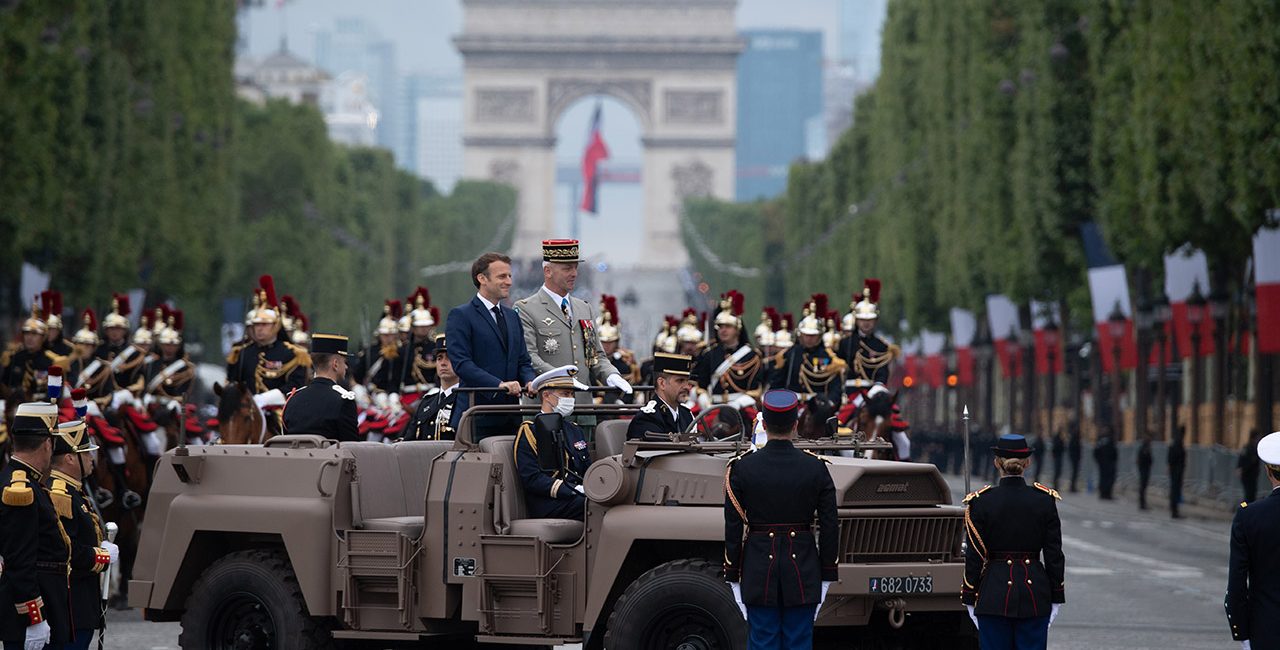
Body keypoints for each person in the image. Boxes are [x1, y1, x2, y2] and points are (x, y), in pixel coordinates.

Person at [724, 389, 837, 650]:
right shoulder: (816, 467)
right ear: (796, 425)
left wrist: (733, 575)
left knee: (762, 642)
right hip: (804, 570)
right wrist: (827, 574)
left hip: (757, 571)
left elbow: (733, 527)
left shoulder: (740, 467)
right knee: (799, 642)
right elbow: (830, 524)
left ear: (763, 423)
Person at [961, 435, 1065, 650]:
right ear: (1027, 463)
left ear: (996, 463)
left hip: (992, 596)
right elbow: (1054, 555)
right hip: (1035, 596)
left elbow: (974, 556)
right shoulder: (1044, 501)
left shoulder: (981, 502)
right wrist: (1056, 596)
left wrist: (969, 595)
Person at [517, 239, 632, 404]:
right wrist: (564, 379)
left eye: (575, 267)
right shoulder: (526, 309)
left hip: (582, 406)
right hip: (547, 407)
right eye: (567, 268)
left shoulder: (584, 309)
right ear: (548, 271)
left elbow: (595, 355)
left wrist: (611, 374)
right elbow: (530, 356)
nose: (574, 273)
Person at [0, 402, 68, 650]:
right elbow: (19, 559)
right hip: (32, 619)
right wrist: (34, 619)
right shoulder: (21, 489)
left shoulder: (29, 482)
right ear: (48, 443)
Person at [447, 252, 535, 440]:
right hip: (476, 414)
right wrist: (498, 385)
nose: (509, 281)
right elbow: (462, 364)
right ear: (482, 279)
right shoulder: (461, 316)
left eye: (510, 276)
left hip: (511, 416)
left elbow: (522, 360)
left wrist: (530, 380)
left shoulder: (512, 317)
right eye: (502, 276)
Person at [49, 416, 117, 650]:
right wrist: (102, 556)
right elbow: (67, 551)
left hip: (81, 606)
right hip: (71, 607)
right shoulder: (61, 495)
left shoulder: (74, 491)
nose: (92, 458)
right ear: (69, 458)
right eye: (86, 453)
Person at [513, 366, 592, 519]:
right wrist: (573, 489)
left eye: (571, 394)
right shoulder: (531, 431)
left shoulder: (574, 430)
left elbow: (586, 467)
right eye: (565, 394)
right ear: (546, 396)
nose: (570, 399)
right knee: (595, 505)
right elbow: (532, 478)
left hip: (575, 497)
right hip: (550, 502)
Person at [1225, 430, 1280, 649]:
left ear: (1268, 471)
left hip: (1266, 630)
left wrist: (1242, 632)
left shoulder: (1249, 517)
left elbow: (1237, 585)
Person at [225, 276, 311, 400]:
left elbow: (295, 386)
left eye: (264, 324)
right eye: (256, 325)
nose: (259, 328)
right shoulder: (242, 353)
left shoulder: (293, 354)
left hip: (278, 409)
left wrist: (267, 399)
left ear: (275, 326)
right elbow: (233, 383)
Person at [693, 290, 765, 411]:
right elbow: (701, 386)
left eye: (728, 327)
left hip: (741, 408)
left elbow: (755, 391)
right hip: (713, 407)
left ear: (737, 329)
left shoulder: (752, 356)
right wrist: (704, 400)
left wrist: (738, 404)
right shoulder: (709, 354)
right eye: (720, 326)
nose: (723, 330)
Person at [768, 295, 846, 404]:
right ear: (800, 335)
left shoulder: (828, 357)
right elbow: (777, 383)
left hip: (818, 405)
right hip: (792, 404)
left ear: (819, 336)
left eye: (813, 335)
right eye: (806, 335)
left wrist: (829, 403)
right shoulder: (789, 354)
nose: (809, 338)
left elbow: (835, 386)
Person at [281, 334, 358, 442]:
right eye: (344, 362)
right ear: (335, 364)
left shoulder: (292, 399)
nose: (346, 367)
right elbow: (351, 448)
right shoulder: (344, 400)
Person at [837, 279, 897, 394]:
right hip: (850, 393)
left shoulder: (881, 346)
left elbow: (882, 372)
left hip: (872, 393)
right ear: (857, 320)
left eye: (869, 320)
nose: (866, 323)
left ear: (875, 321)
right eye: (862, 320)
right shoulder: (845, 343)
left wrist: (877, 387)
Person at [627, 353, 695, 441]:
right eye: (680, 380)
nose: (687, 387)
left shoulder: (686, 414)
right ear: (662, 383)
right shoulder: (647, 418)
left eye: (687, 381)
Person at [407, 335, 459, 441]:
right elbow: (408, 441)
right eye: (439, 358)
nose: (443, 363)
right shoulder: (427, 402)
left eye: (449, 358)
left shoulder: (467, 400)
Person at [1093, 426, 1118, 500]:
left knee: (1110, 479)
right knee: (1104, 479)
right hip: (1103, 463)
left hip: (1110, 463)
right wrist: (1099, 460)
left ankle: (1108, 493)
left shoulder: (1110, 439)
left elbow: (1114, 451)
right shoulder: (1101, 440)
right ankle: (1103, 493)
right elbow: (1096, 451)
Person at [1238, 430, 1261, 505]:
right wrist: (1241, 469)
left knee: (1252, 495)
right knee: (1248, 496)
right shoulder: (1248, 448)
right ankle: (1242, 507)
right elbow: (1242, 460)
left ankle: (1248, 509)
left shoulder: (1255, 449)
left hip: (1253, 475)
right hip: (1247, 475)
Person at [1168, 427, 1187, 519]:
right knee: (1175, 490)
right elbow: (1177, 456)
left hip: (1175, 469)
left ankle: (1174, 509)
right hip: (1177, 470)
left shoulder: (1175, 441)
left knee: (1174, 489)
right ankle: (1174, 510)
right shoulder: (1178, 442)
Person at [1136, 434, 1153, 510]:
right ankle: (1142, 503)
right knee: (1143, 487)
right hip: (1144, 469)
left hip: (1144, 469)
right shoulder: (1144, 448)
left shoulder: (1145, 448)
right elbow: (1143, 459)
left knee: (1143, 487)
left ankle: (1142, 503)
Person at [1067, 421, 1082, 493]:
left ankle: (1073, 486)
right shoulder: (1074, 438)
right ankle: (1072, 486)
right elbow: (1073, 448)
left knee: (1075, 472)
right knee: (1074, 472)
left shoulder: (1074, 438)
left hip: (1075, 457)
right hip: (1074, 458)